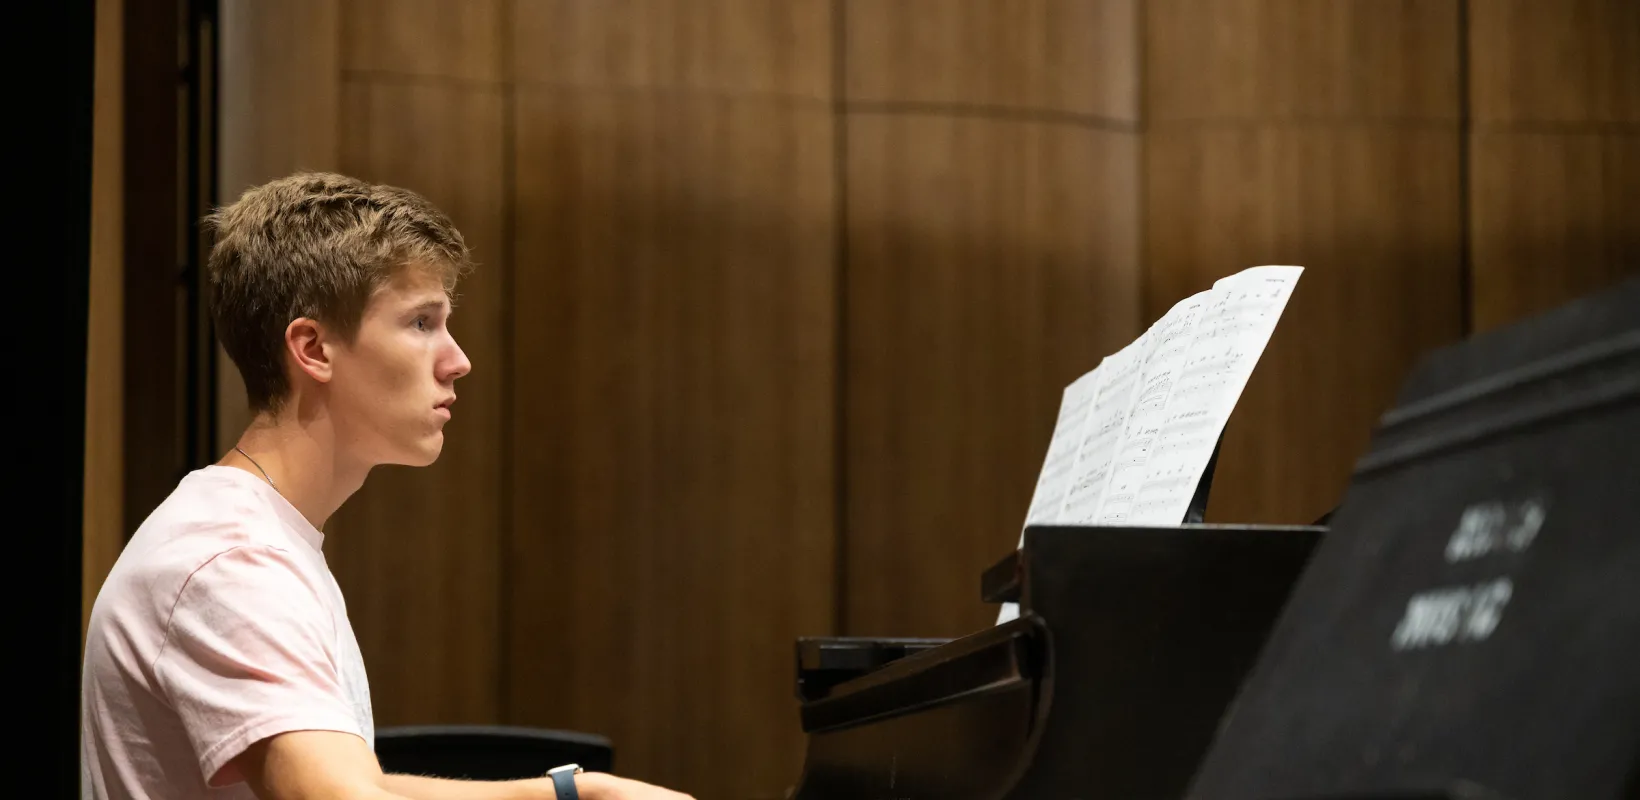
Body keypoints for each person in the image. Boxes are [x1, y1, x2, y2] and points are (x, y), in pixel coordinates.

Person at [81, 173, 693, 800]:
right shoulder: (232, 562)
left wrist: (577, 794)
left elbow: (350, 780)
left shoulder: (250, 536)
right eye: (422, 322)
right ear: (313, 348)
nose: (458, 359)